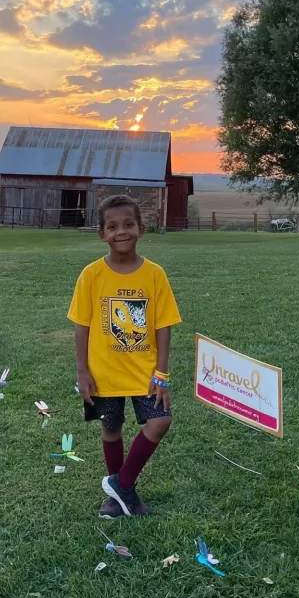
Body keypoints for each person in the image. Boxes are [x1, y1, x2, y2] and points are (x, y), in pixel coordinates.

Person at [67, 194, 181, 518]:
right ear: (102, 233)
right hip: (103, 373)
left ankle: (121, 484)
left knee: (160, 421)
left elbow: (163, 327)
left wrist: (162, 375)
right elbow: (81, 328)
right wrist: (82, 373)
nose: (122, 232)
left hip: (145, 373)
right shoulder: (91, 275)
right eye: (113, 226)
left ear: (141, 229)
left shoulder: (154, 274)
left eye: (129, 225)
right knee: (111, 429)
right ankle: (118, 500)